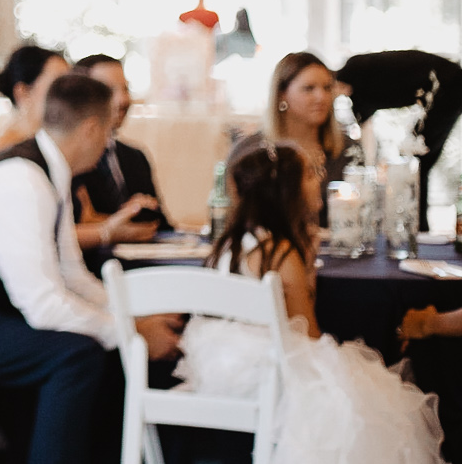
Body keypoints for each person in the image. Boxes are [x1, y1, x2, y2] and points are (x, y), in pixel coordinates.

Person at [0, 73, 183, 464]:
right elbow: (43, 306)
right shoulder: (19, 181)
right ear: (91, 129)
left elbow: (73, 277)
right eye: (108, 132)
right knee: (75, 355)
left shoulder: (49, 173)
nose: (109, 143)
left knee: (95, 346)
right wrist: (132, 333)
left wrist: (132, 319)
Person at [183, 142, 442, 464]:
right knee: (375, 402)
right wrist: (305, 271)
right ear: (287, 189)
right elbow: (309, 336)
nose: (319, 179)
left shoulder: (230, 246)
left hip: (220, 372)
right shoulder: (280, 253)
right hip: (270, 376)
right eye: (309, 174)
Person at [333, 49, 462, 232]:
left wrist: (369, 168)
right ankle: (416, 225)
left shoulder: (355, 69)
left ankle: (417, 227)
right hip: (439, 89)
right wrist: (370, 169)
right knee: (412, 160)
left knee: (415, 159)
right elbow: (367, 132)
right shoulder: (357, 96)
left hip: (446, 86)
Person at [69, 54, 169, 250]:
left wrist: (142, 211)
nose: (123, 99)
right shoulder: (72, 158)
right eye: (108, 90)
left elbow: (160, 224)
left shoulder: (135, 156)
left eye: (125, 89)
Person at [231, 52, 345, 191]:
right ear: (282, 94)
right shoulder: (252, 151)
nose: (321, 97)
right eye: (309, 88)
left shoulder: (347, 149)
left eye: (327, 88)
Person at [0, 44, 71, 157]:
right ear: (23, 93)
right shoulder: (4, 153)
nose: (70, 95)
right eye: (58, 86)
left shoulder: (45, 147)